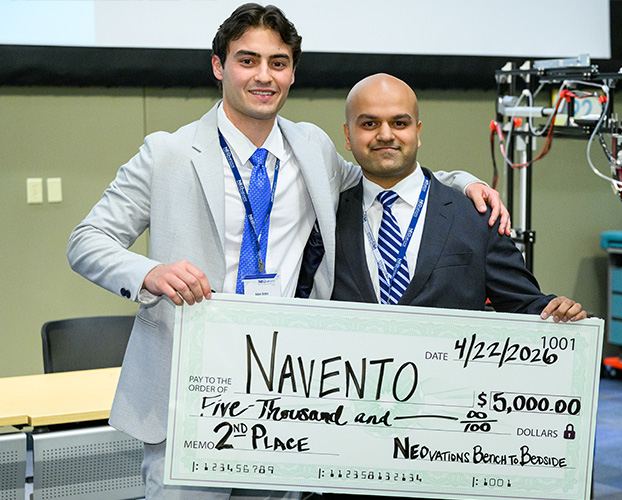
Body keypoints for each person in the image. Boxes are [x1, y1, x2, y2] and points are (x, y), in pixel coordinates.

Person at [66, 5, 509, 500]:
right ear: (218, 66)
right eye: (247, 60)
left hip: (285, 394)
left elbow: (383, 174)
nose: (264, 76)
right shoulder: (167, 153)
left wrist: (464, 183)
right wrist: (149, 273)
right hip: (190, 392)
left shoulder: (312, 148)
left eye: (278, 63)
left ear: (292, 73)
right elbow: (87, 240)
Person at [332, 73, 587, 323]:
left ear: (417, 132)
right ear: (347, 135)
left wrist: (558, 312)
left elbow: (523, 305)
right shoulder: (327, 216)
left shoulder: (477, 217)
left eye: (399, 123)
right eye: (369, 124)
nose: (386, 135)